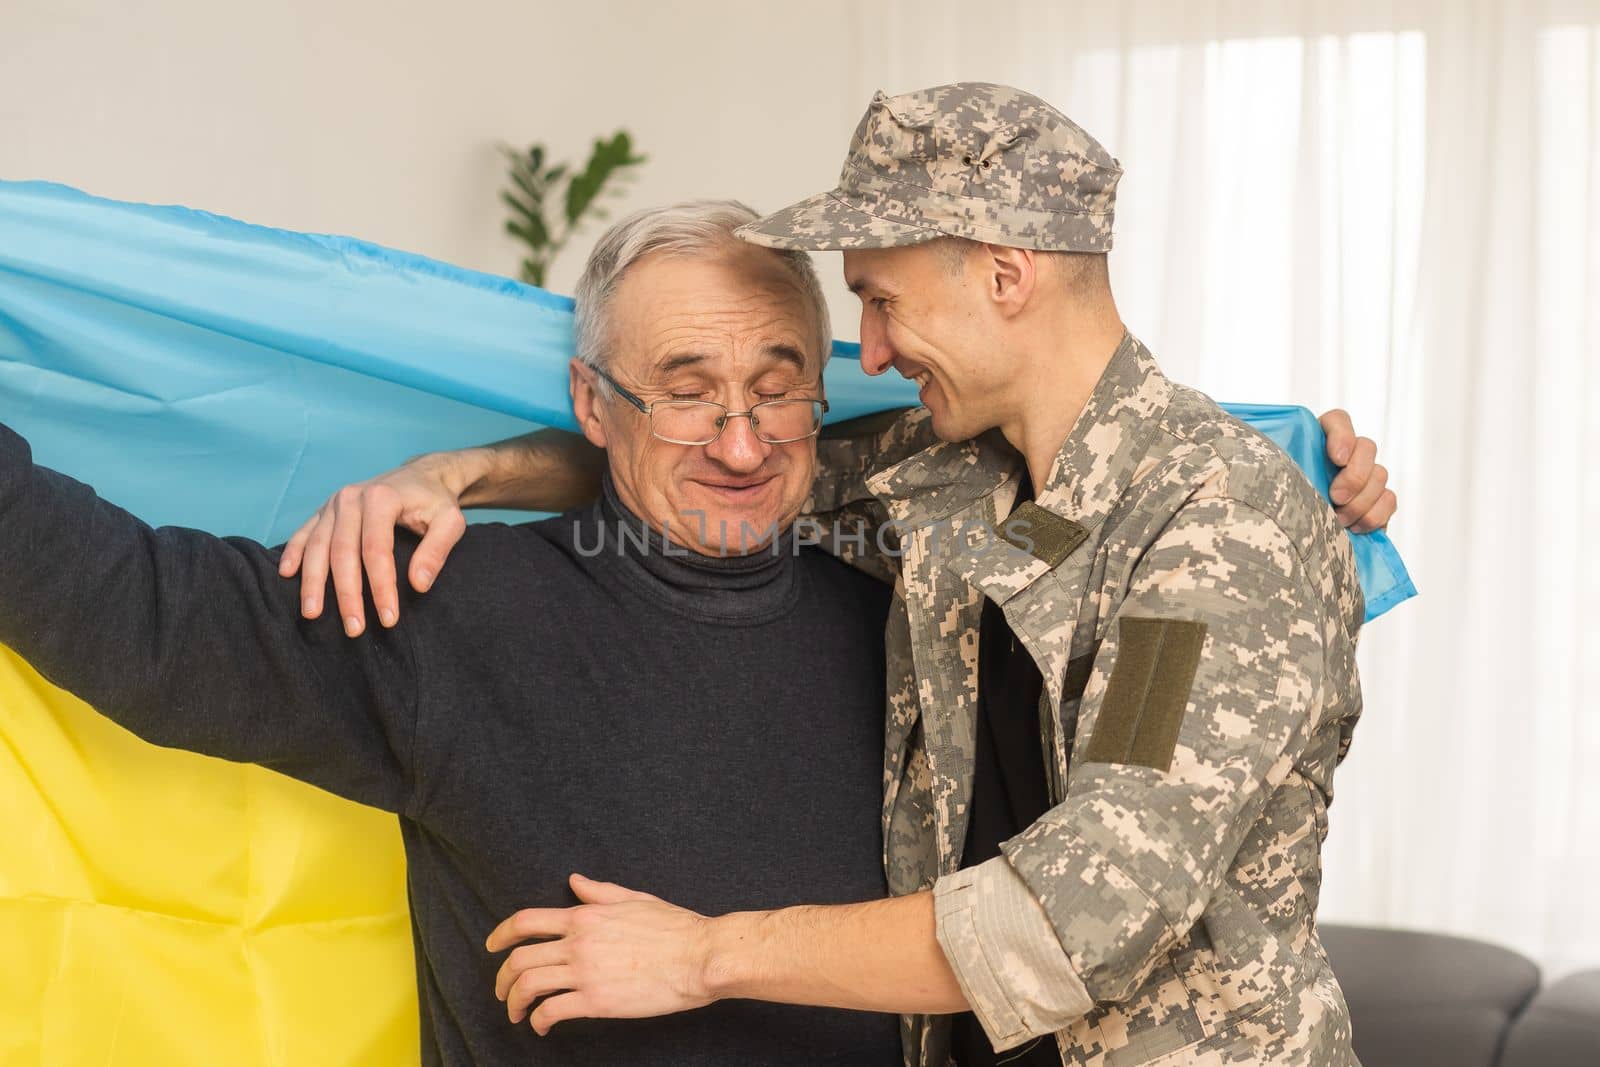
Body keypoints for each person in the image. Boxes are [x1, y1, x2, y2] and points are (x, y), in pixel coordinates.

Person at [290, 84, 1391, 1066]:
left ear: (1007, 274)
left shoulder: (1213, 527)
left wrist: (700, 954)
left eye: (883, 299)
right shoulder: (953, 474)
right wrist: (463, 472)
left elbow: (1080, 913)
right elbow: (713, 456)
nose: (866, 349)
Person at [0, 201, 911, 1066]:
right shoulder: (458, 606)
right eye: (686, 394)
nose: (741, 445)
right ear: (591, 405)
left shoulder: (912, 627)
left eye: (776, 391)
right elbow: (146, 612)